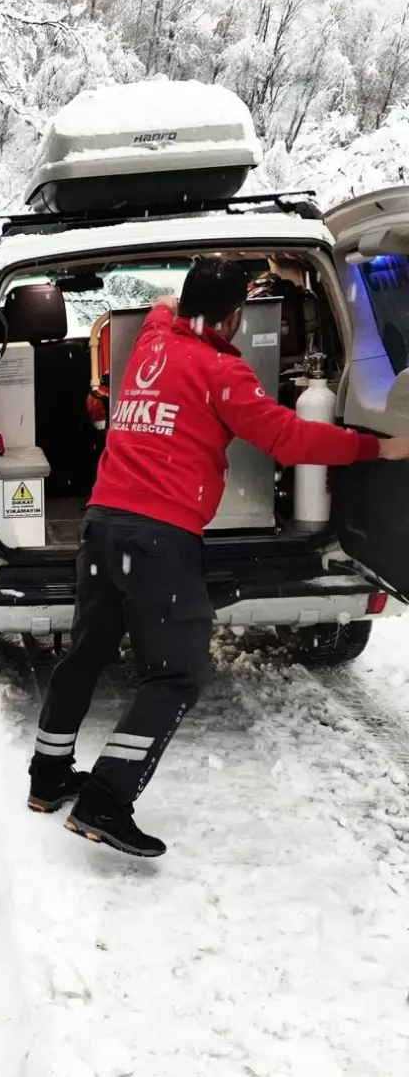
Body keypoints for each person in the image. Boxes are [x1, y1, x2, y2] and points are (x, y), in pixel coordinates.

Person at [28, 260, 409, 858]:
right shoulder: (222, 372)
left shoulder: (154, 339)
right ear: (235, 317)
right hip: (159, 536)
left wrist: (184, 299)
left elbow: (159, 306)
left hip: (102, 526)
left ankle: (47, 779)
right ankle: (106, 799)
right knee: (176, 675)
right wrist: (379, 447)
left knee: (88, 652)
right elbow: (290, 438)